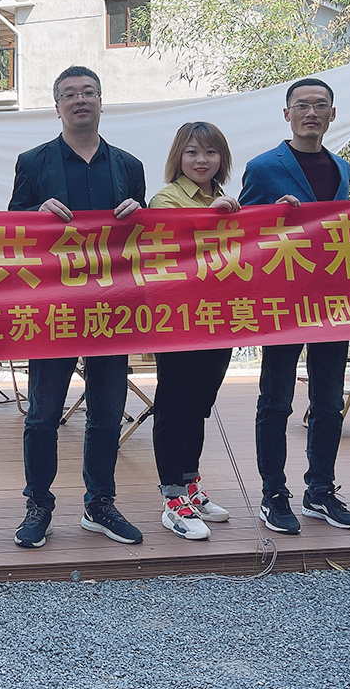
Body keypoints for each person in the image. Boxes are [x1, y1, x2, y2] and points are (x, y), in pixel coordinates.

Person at [8, 65, 145, 548]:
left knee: (107, 411)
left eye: (88, 92)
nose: (80, 100)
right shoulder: (33, 161)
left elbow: (143, 239)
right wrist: (36, 213)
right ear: (57, 106)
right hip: (54, 305)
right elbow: (12, 226)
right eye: (70, 94)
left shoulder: (128, 165)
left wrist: (141, 215)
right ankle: (38, 505)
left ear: (101, 101)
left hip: (113, 305)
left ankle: (100, 503)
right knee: (43, 413)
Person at [239, 77, 350, 534]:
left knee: (328, 402)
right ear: (287, 114)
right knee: (276, 401)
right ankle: (274, 493)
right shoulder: (262, 167)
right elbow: (244, 232)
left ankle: (320, 491)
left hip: (333, 302)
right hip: (283, 302)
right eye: (302, 105)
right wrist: (273, 213)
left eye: (321, 105)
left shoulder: (342, 167)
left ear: (333, 114)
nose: (312, 112)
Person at [147, 122, 241, 541]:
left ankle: (190, 484)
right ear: (178, 158)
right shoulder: (166, 198)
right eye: (192, 152)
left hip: (220, 318)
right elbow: (172, 249)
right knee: (174, 406)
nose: (201, 160)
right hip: (177, 319)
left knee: (201, 405)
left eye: (210, 152)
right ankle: (172, 498)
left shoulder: (229, 200)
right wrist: (210, 217)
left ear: (222, 158)